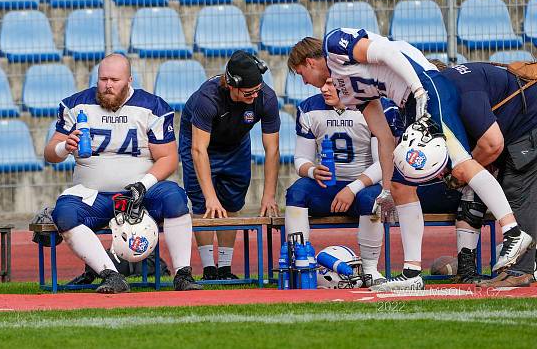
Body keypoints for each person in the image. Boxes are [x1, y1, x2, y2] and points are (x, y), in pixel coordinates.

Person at [287, 30, 531, 291]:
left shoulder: (335, 44)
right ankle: (412, 273)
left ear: (309, 63)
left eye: (301, 74)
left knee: (461, 164)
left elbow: (388, 52)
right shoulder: (345, 88)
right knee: (401, 187)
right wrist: (385, 189)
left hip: (427, 87)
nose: (304, 82)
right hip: (410, 103)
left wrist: (419, 90)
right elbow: (383, 137)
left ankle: (513, 232)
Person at [44, 53, 201, 293]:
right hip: (93, 195)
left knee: (174, 197)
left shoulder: (151, 107)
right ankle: (111, 274)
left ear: (129, 80)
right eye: (103, 79)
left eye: (114, 80)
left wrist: (142, 185)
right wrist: (63, 147)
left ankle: (183, 274)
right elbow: (49, 154)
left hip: (140, 194)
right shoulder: (76, 105)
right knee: (64, 212)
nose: (107, 85)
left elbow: (169, 158)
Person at [286, 82, 461, 286]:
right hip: (328, 186)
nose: (324, 89)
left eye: (331, 84)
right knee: (296, 192)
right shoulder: (309, 108)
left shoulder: (375, 108)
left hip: (363, 185)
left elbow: (382, 162)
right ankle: (299, 263)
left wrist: (352, 188)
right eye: (323, 84)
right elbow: (300, 158)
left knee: (372, 199)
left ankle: (370, 269)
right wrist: (312, 170)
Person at [179, 50, 280, 280]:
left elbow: (272, 149)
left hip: (235, 143)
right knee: (204, 204)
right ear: (232, 84)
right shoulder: (208, 98)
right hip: (200, 142)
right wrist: (210, 196)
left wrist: (269, 194)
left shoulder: (266, 97)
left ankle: (224, 268)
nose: (255, 96)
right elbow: (198, 150)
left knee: (232, 201)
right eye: (248, 92)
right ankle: (208, 268)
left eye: (257, 90)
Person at [438, 61, 537, 287]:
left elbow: (491, 145)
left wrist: (459, 174)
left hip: (528, 128)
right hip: (520, 128)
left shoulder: (460, 89)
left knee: (518, 193)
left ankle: (520, 272)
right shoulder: (457, 82)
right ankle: (512, 269)